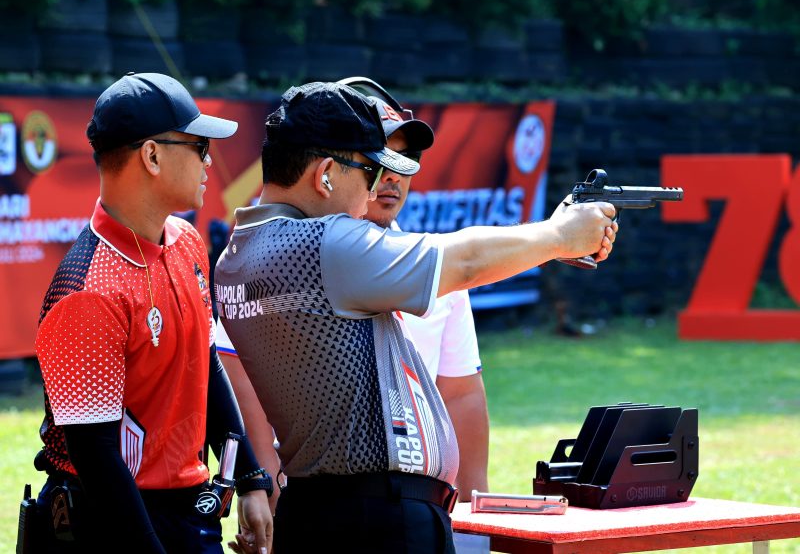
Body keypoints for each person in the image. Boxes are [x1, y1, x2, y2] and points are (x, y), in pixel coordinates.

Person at [213, 81, 617, 553]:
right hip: (376, 519)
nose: (373, 191)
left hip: (329, 507)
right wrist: (560, 235)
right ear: (325, 174)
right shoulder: (323, 246)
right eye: (368, 171)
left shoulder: (240, 253)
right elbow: (463, 260)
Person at [32, 72, 272, 554]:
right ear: (152, 155)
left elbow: (204, 365)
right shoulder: (87, 289)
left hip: (183, 514)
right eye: (199, 146)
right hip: (109, 524)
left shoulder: (185, 242)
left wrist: (248, 477)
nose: (210, 160)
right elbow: (97, 459)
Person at [354, 82, 490, 500]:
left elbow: (461, 392)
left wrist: (472, 512)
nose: (394, 174)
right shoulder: (292, 256)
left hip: (421, 502)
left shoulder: (435, 264)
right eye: (378, 158)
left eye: (406, 159)